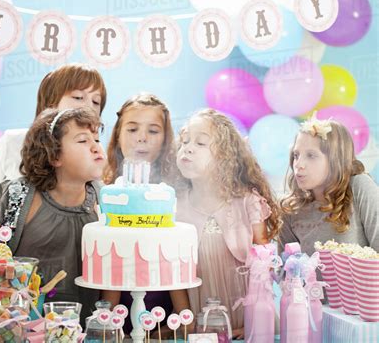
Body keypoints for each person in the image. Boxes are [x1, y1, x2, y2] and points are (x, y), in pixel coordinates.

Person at [0, 107, 106, 323]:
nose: (96, 147)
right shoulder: (17, 196)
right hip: (16, 323)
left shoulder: (106, 200)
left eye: (96, 139)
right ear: (54, 155)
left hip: (81, 325)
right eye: (83, 141)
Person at [176, 109, 282, 338]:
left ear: (225, 157)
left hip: (251, 326)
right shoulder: (175, 208)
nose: (188, 147)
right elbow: (173, 276)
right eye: (185, 141)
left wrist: (253, 325)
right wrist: (188, 324)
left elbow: (265, 270)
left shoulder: (248, 202)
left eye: (201, 142)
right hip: (202, 329)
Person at [0, 63, 107, 219]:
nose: (88, 106)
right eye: (78, 97)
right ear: (51, 102)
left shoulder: (95, 151)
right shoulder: (15, 142)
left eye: (96, 102)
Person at [102, 93, 186, 335]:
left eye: (153, 131)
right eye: (132, 129)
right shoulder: (104, 190)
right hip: (110, 312)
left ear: (165, 139)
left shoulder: (172, 191)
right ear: (117, 135)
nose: (141, 138)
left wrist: (181, 317)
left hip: (163, 317)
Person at [279, 113, 378, 255]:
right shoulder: (291, 210)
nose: (298, 164)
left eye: (311, 155)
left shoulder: (359, 187)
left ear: (335, 159)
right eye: (296, 155)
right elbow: (286, 270)